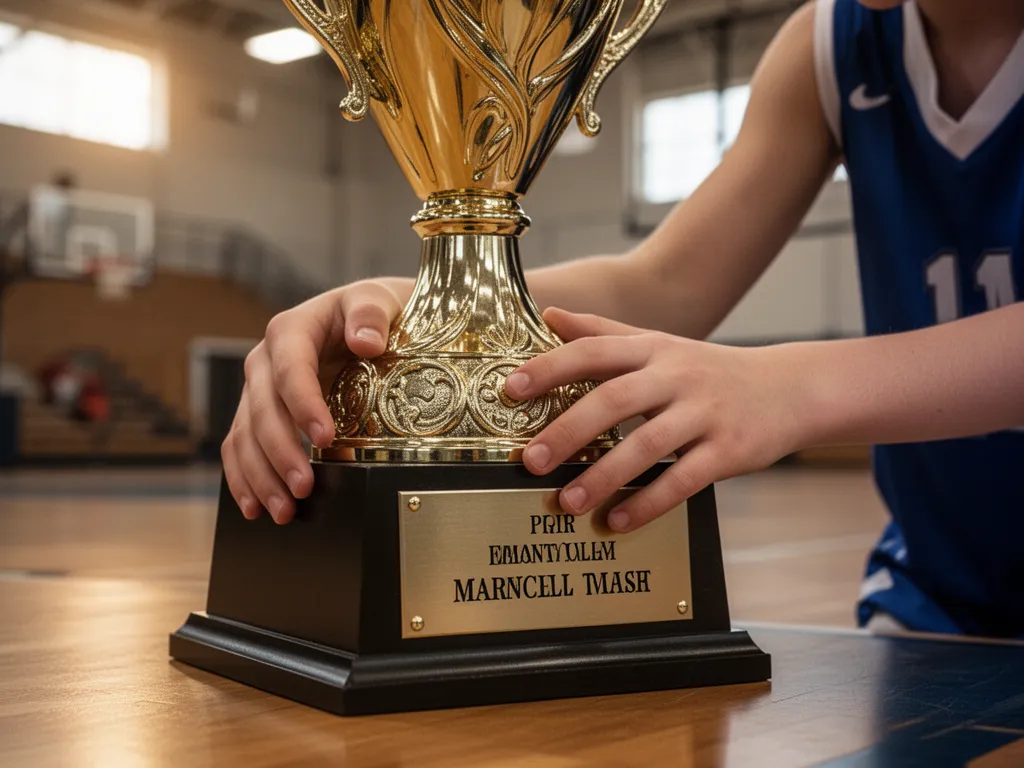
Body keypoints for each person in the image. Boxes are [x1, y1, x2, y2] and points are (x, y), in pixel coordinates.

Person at [222, 0, 1023, 637]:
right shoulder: (828, 43)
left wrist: (792, 387)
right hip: (933, 603)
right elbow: (667, 285)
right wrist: (418, 304)